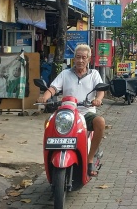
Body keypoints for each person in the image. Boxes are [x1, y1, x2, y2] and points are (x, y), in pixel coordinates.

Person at [37, 44, 105, 177]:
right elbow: (53, 88)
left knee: (101, 122)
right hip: (67, 114)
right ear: (74, 58)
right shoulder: (65, 73)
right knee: (48, 122)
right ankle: (51, 157)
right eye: (78, 57)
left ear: (88, 59)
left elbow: (100, 90)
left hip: (86, 113)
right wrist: (44, 97)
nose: (80, 60)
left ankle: (90, 159)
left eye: (83, 57)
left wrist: (98, 99)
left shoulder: (94, 74)